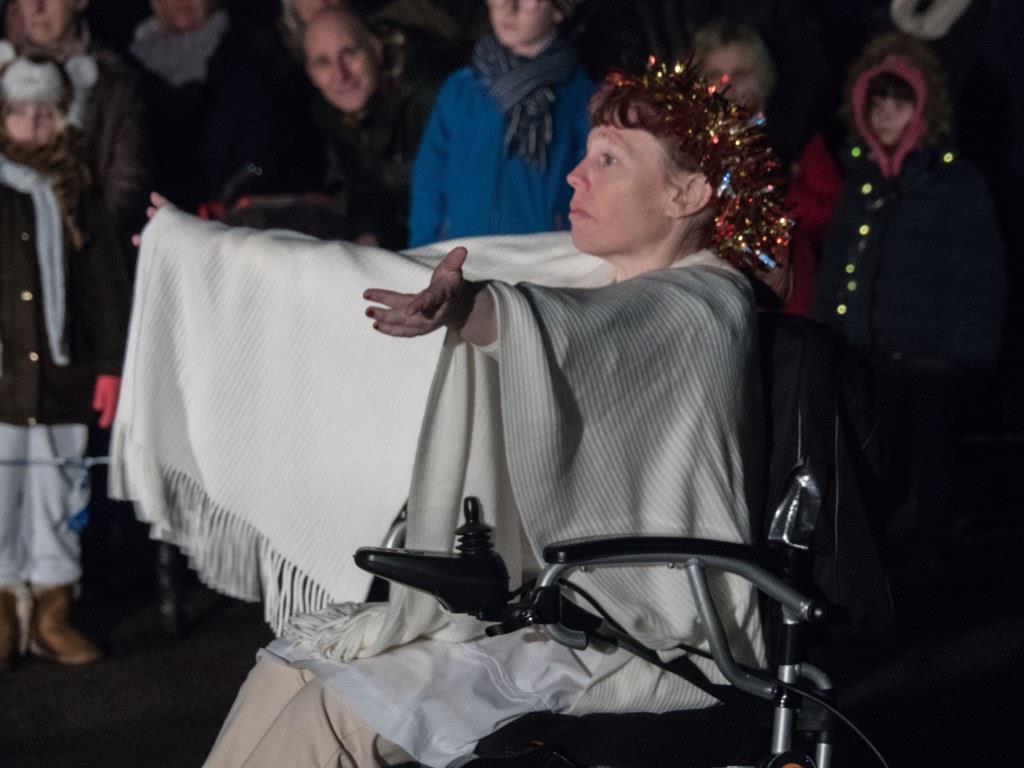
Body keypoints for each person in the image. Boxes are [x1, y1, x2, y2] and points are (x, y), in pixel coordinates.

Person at [190, 60, 791, 767]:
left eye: (607, 159)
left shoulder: (704, 305)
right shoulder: (616, 276)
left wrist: (473, 307)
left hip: (650, 639)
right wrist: (206, 255)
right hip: (564, 609)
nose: (575, 176)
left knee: (333, 711)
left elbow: (582, 325)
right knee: (287, 666)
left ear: (687, 192)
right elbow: (534, 287)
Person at [811, 32, 1006, 561]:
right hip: (873, 355)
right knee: (882, 467)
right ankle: (891, 570)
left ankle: (937, 574)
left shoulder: (954, 183)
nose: (886, 114)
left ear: (922, 108)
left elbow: (979, 271)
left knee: (935, 471)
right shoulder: (862, 184)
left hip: (932, 358)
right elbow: (838, 268)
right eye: (877, 101)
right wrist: (830, 334)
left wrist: (970, 346)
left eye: (899, 102)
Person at [0, 46, 130, 670]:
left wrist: (110, 363)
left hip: (63, 376)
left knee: (56, 488)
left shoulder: (77, 191)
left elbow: (106, 286)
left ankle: (52, 609)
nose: (33, 125)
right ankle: (2, 612)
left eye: (45, 113)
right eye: (19, 113)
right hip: (2, 380)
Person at [406, 0, 593, 247]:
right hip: (460, 251)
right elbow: (430, 177)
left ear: (559, 9)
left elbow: (591, 182)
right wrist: (425, 248)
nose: (508, 7)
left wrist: (571, 243)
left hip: (545, 257)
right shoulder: (461, 88)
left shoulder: (581, 96)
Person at [693, 18, 841, 314]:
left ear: (761, 76)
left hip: (786, 302)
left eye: (739, 73)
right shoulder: (687, 144)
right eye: (714, 74)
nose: (726, 84)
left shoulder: (793, 137)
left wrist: (775, 187)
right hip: (707, 297)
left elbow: (832, 213)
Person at [301, 6, 449, 247]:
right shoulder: (331, 111)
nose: (340, 75)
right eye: (323, 62)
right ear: (311, 73)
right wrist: (370, 236)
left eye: (348, 53)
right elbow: (364, 190)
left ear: (376, 48)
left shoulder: (431, 93)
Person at [13, 0, 153, 254]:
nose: (36, 6)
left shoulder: (115, 84)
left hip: (87, 255)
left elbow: (126, 188)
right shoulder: (6, 76)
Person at [130, 0, 275, 212]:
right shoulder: (125, 70)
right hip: (149, 221)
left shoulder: (249, 60)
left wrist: (240, 186)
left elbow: (259, 161)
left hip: (227, 221)